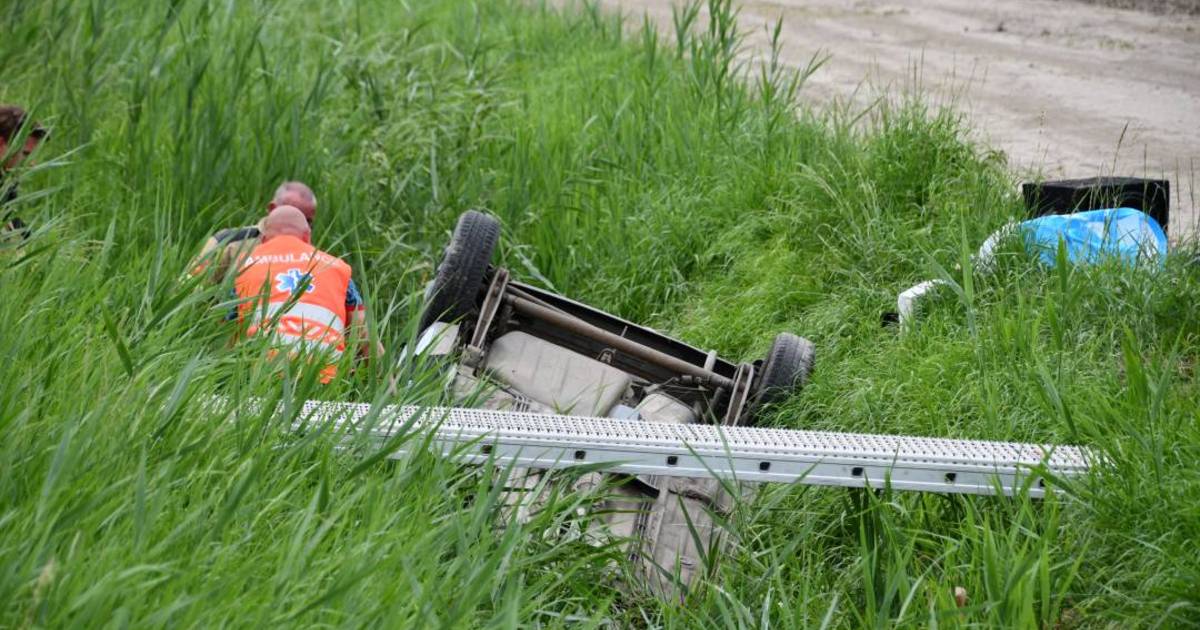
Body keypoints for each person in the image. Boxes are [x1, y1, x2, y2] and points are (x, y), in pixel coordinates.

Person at [232, 206, 373, 383]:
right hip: (323, 377)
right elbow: (366, 337)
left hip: (261, 374)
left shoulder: (244, 264)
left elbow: (226, 331)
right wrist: (392, 394)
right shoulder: (336, 267)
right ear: (308, 237)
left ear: (264, 239)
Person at [190, 181, 318, 282]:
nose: (300, 224)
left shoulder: (316, 257)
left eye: (308, 221)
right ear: (272, 209)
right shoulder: (229, 242)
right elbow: (190, 288)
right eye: (291, 215)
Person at [0, 105, 48, 242]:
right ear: (1, 144)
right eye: (25, 154)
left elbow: (11, 222)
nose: (33, 165)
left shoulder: (6, 179)